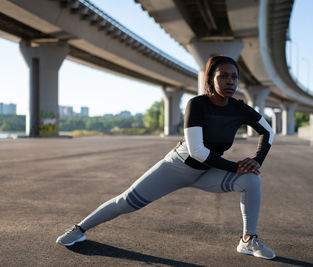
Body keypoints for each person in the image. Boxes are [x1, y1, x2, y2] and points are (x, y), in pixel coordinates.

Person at [56, 56, 276, 260]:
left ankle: (248, 240)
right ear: (210, 79)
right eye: (223, 76)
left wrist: (257, 160)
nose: (230, 81)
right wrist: (235, 166)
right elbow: (196, 151)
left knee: (251, 179)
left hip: (208, 171)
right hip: (177, 167)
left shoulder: (240, 109)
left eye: (234, 77)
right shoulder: (197, 105)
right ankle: (79, 229)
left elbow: (268, 132)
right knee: (126, 202)